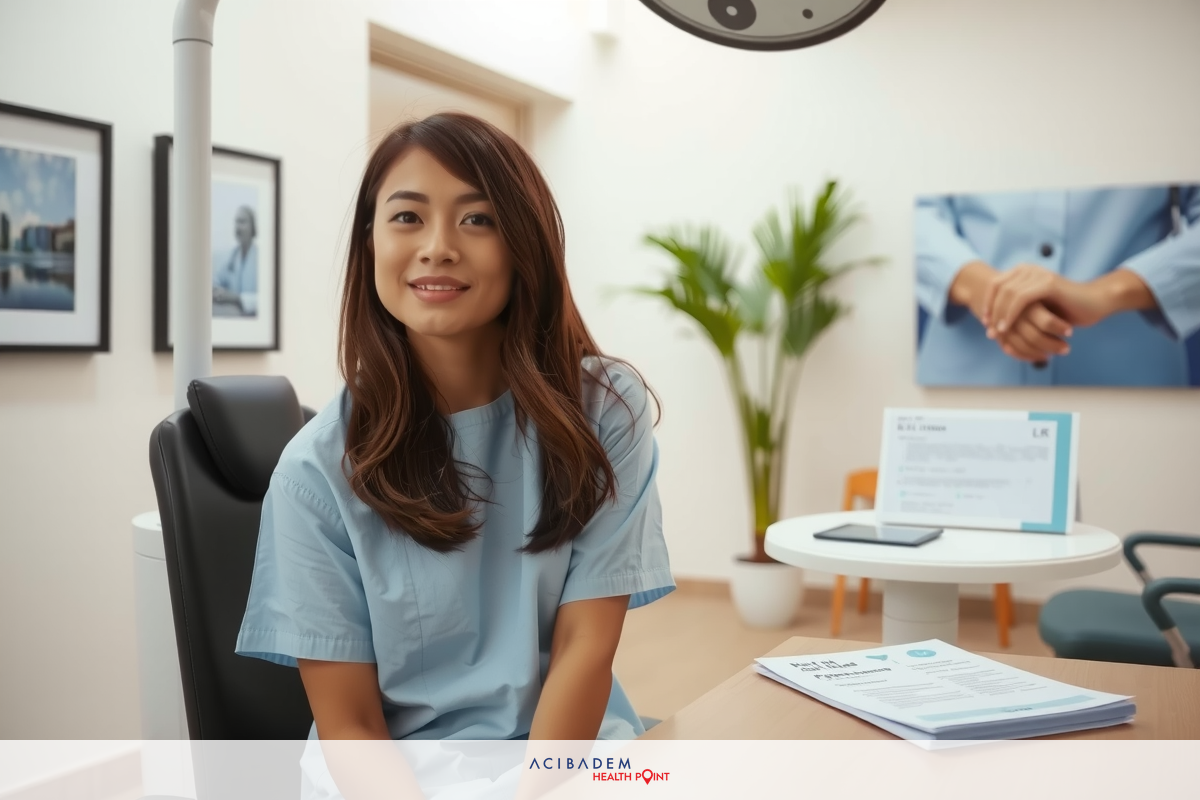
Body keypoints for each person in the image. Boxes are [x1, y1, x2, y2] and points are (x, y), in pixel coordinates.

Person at [235, 112, 673, 762]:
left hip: (568, 754)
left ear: (523, 243)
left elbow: (586, 649)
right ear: (370, 242)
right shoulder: (316, 472)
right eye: (407, 217)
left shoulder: (603, 412)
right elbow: (350, 727)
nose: (438, 246)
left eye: (478, 219)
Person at [914, 185, 1200, 386]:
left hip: (1135, 383)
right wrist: (986, 291)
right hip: (962, 379)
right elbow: (908, 206)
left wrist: (1106, 294)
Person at [213, 204, 259, 316]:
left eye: (242, 222)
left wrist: (237, 298)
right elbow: (216, 280)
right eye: (236, 222)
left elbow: (267, 300)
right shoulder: (232, 256)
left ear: (253, 227)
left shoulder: (261, 258)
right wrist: (217, 291)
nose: (238, 227)